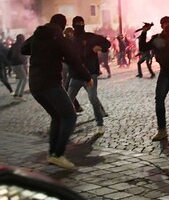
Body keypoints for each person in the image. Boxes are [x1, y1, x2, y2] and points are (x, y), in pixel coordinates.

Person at [21, 14, 93, 169]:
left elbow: (23, 49)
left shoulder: (37, 35)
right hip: (50, 83)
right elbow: (73, 60)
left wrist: (39, 47)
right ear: (63, 25)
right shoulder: (59, 38)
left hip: (35, 85)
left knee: (57, 116)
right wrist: (87, 77)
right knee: (70, 115)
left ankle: (52, 154)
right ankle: (58, 154)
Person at [66, 16, 111, 128]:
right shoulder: (71, 41)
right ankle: (66, 122)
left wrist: (100, 47)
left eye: (82, 23)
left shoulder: (91, 37)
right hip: (76, 75)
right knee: (68, 100)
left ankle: (100, 123)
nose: (80, 25)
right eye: (78, 23)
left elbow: (107, 43)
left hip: (90, 74)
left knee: (93, 98)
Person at [7, 34, 28, 100]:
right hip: (19, 65)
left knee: (20, 79)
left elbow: (8, 55)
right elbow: (21, 56)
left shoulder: (13, 45)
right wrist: (24, 60)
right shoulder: (21, 46)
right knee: (24, 79)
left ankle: (16, 94)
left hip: (13, 65)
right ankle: (20, 95)